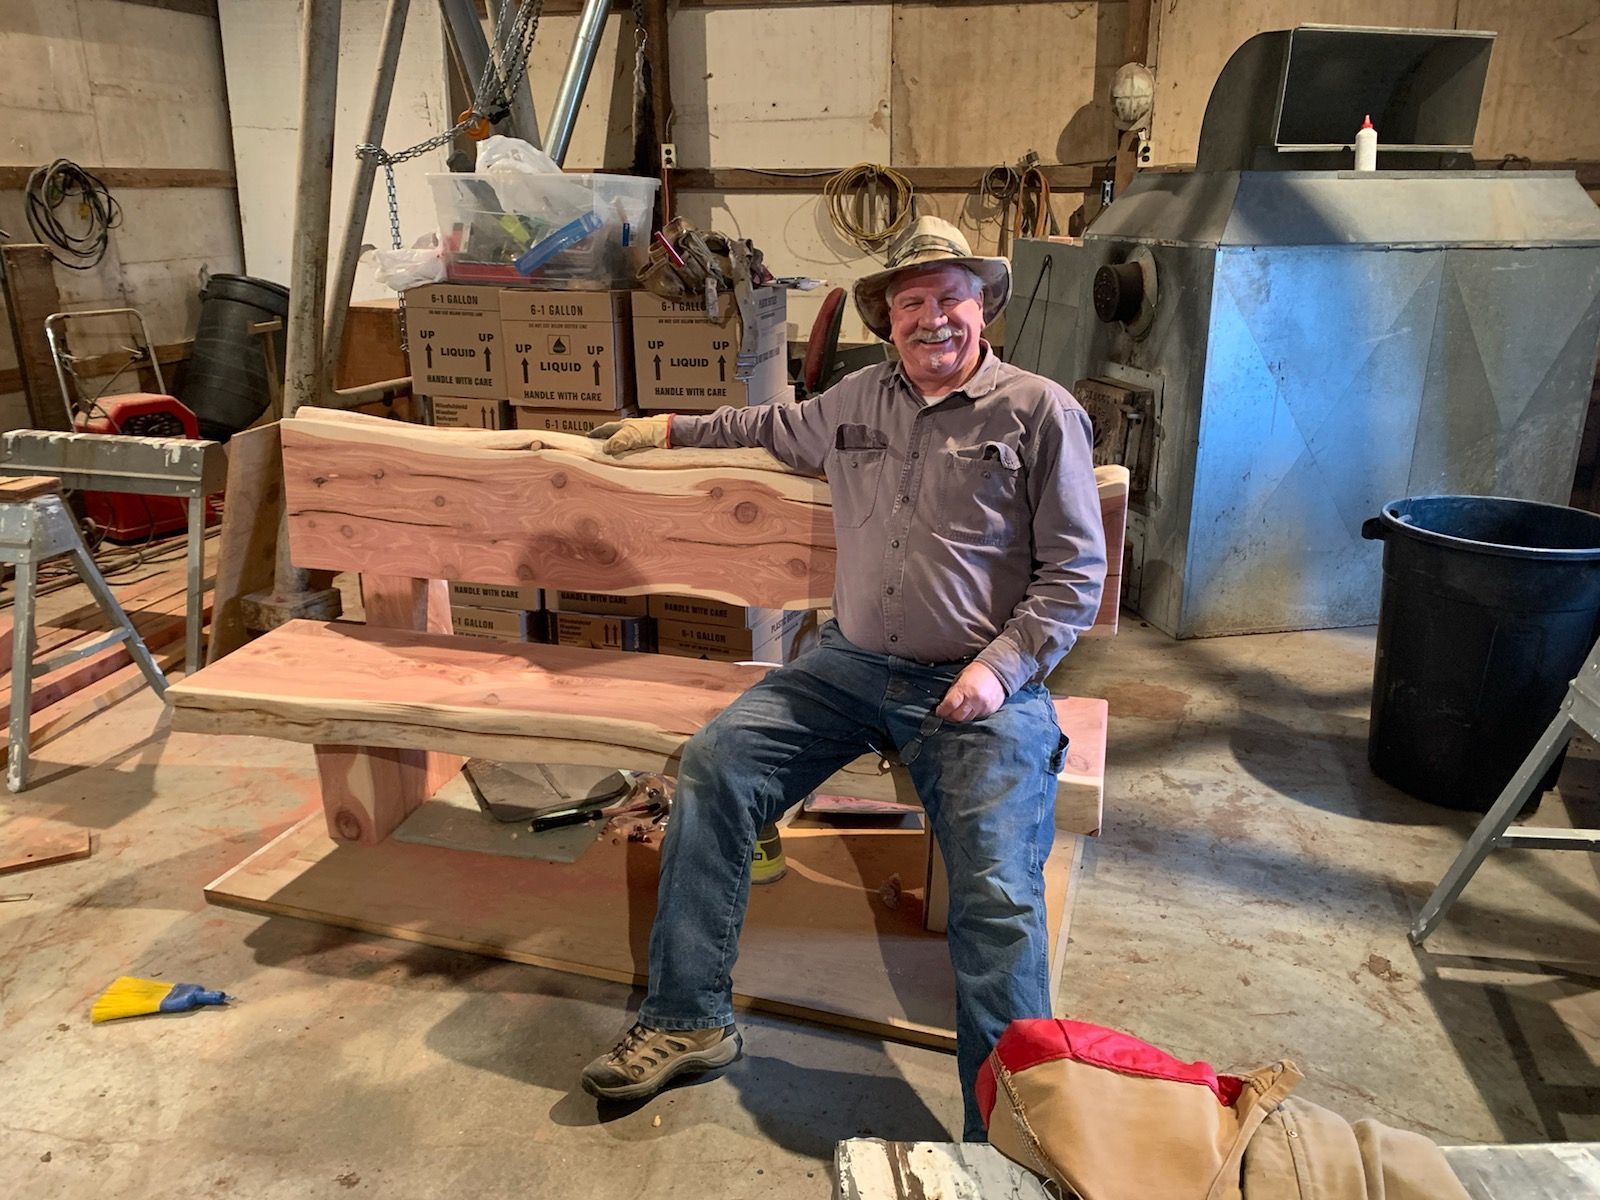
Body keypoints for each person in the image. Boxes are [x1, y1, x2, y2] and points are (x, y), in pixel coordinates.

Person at [580, 216, 1107, 1141]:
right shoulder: (857, 399)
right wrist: (665, 427)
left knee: (998, 890)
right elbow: (768, 425)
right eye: (912, 303)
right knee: (716, 764)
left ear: (983, 307)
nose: (933, 319)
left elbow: (1074, 575)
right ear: (888, 318)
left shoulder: (1039, 412)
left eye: (951, 299)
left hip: (978, 686)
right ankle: (689, 1018)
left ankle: (1010, 1128)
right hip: (850, 668)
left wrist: (1000, 671)